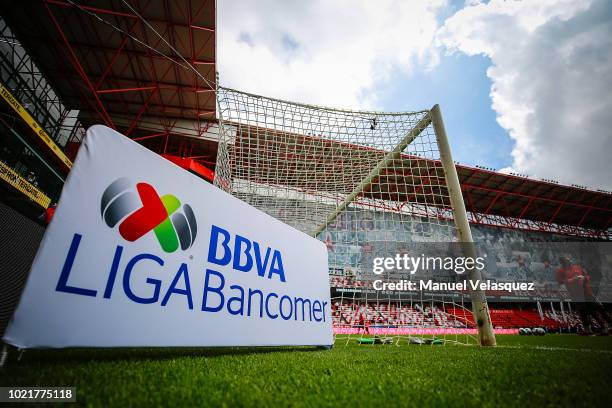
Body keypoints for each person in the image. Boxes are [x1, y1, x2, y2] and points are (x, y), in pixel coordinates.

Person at [556, 256, 609, 335]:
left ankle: (604, 327)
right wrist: (573, 279)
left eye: (568, 260)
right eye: (565, 261)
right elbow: (560, 282)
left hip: (587, 292)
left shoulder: (578, 267)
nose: (568, 262)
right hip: (576, 294)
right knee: (582, 312)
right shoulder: (560, 271)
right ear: (562, 263)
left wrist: (584, 277)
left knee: (595, 309)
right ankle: (588, 330)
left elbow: (588, 276)